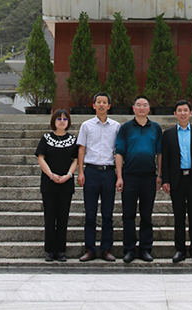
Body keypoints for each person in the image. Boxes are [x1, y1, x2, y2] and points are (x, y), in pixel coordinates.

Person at [115, 95, 163, 263]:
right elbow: (119, 152)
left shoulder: (156, 128)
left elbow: (159, 153)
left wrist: (159, 175)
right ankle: (129, 249)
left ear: (149, 108)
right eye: (138, 105)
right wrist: (119, 176)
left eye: (145, 105)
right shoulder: (126, 128)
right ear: (133, 108)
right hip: (129, 176)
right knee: (128, 215)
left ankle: (145, 249)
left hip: (149, 177)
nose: (142, 108)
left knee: (146, 215)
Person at [161, 99, 192, 263]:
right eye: (179, 111)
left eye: (185, 110)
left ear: (190, 113)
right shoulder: (168, 134)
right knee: (178, 216)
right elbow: (165, 159)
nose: (183, 113)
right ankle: (180, 250)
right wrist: (165, 180)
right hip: (177, 180)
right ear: (175, 114)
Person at [76, 91, 120, 261]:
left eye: (104, 102)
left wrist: (119, 175)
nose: (101, 105)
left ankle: (106, 249)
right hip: (91, 172)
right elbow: (81, 149)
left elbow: (119, 151)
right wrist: (80, 172)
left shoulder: (116, 126)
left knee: (107, 214)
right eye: (98, 102)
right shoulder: (86, 126)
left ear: (109, 106)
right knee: (90, 214)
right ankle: (90, 249)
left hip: (108, 172)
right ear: (93, 105)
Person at [35, 108, 78, 262]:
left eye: (65, 119)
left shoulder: (73, 139)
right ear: (53, 121)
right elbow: (41, 158)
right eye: (59, 118)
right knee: (49, 217)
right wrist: (52, 175)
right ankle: (50, 250)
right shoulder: (46, 138)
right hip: (49, 183)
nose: (62, 121)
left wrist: (68, 175)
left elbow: (76, 160)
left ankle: (61, 250)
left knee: (62, 218)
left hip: (66, 184)